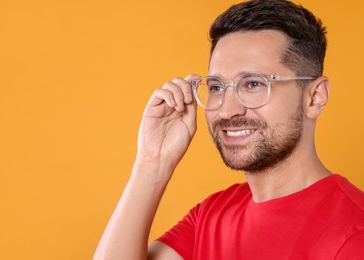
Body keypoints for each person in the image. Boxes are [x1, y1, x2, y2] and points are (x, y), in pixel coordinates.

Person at [94, 0, 364, 259]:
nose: (226, 110)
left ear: (314, 97)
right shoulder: (212, 214)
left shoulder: (354, 234)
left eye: (254, 84)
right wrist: (152, 163)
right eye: (217, 87)